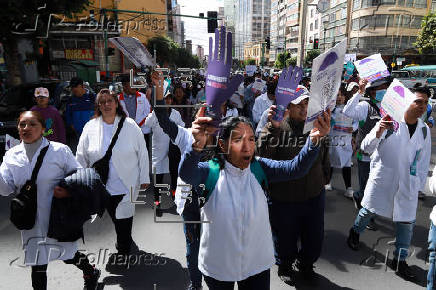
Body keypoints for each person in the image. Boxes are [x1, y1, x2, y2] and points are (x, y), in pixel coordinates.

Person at [178, 109, 331, 289]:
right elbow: (187, 173)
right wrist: (196, 145)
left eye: (251, 139)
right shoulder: (209, 172)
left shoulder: (260, 168)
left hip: (257, 265)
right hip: (218, 266)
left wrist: (314, 140)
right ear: (222, 145)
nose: (247, 147)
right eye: (237, 140)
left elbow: (295, 168)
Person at [0, 111, 100, 290]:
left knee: (68, 255)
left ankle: (90, 271)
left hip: (58, 216)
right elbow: (6, 189)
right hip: (31, 221)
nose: (26, 128)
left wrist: (67, 190)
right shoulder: (11, 155)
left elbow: (79, 177)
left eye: (32, 124)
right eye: (22, 124)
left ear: (43, 129)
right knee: (38, 265)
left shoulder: (59, 151)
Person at [346, 86, 432, 281]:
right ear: (406, 101)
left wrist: (417, 185)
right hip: (383, 178)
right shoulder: (390, 123)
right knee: (368, 210)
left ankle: (399, 261)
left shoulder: (424, 131)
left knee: (406, 223)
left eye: (426, 103)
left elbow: (423, 160)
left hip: (407, 184)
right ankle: (355, 231)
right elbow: (366, 148)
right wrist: (379, 130)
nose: (422, 106)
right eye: (418, 101)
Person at [257, 91, 330, 284]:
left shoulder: (316, 125)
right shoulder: (275, 126)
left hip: (314, 194)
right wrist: (274, 128)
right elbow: (262, 155)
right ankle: (285, 264)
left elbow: (324, 154)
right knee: (284, 236)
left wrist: (324, 177)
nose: (304, 108)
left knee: (314, 236)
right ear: (287, 107)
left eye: (307, 103)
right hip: (284, 197)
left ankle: (306, 263)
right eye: (298, 104)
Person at [76, 89, 150, 261]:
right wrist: (81, 179)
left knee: (125, 218)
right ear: (98, 106)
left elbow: (143, 153)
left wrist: (145, 177)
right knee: (117, 219)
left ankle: (123, 250)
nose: (106, 105)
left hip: (129, 183)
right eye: (102, 102)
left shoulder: (130, 125)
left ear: (117, 103)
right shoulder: (90, 127)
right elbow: (80, 155)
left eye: (110, 101)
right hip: (103, 186)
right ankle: (124, 239)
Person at [342, 76, 393, 230]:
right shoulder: (365, 106)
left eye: (386, 87)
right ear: (372, 92)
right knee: (367, 188)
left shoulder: (390, 107)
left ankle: (359, 197)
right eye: (381, 88)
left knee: (376, 187)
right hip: (365, 155)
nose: (384, 90)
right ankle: (367, 217)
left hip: (383, 156)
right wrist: (359, 91)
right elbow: (347, 111)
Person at [144, 92, 184, 215]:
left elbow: (182, 127)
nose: (167, 101)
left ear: (171, 100)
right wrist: (154, 111)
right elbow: (147, 124)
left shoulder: (176, 114)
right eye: (165, 99)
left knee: (174, 178)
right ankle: (157, 204)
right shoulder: (155, 113)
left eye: (169, 99)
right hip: (158, 152)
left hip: (172, 151)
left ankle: (175, 201)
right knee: (158, 181)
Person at [325, 85, 357, 198]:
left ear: (345, 96)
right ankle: (328, 182)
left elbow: (356, 121)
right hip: (333, 139)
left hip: (346, 140)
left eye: (341, 95)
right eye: (337, 96)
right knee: (331, 162)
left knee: (346, 164)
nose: (339, 98)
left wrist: (354, 128)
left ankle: (349, 188)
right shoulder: (329, 110)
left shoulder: (350, 109)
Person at [118, 74, 152, 150]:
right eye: (132, 84)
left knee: (143, 156)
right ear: (124, 86)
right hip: (126, 134)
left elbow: (148, 112)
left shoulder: (142, 97)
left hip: (143, 132)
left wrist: (136, 125)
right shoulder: (118, 100)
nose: (135, 86)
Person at [65, 77, 96, 153]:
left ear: (82, 86)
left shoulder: (92, 97)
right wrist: (72, 125)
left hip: (92, 132)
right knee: (82, 151)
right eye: (72, 87)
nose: (74, 89)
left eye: (76, 87)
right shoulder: (70, 100)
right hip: (78, 133)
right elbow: (68, 114)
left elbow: (100, 111)